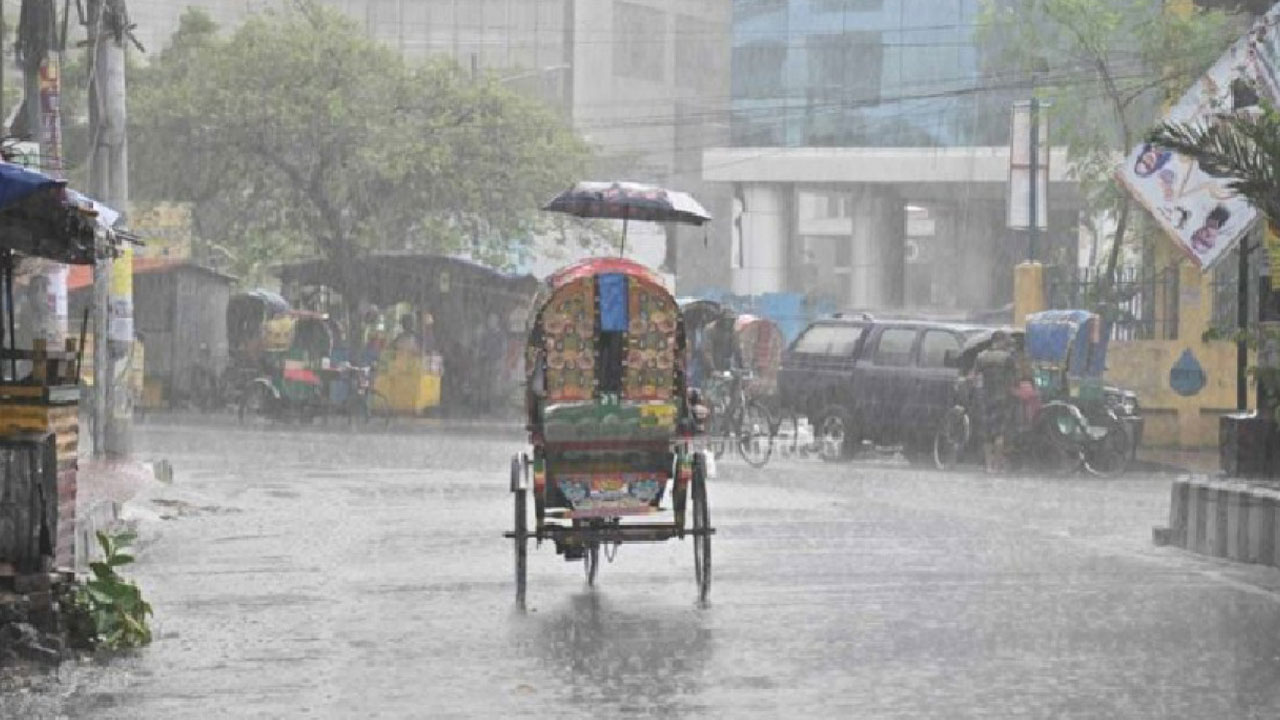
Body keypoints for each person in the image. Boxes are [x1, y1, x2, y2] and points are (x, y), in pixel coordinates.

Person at [973, 331, 1018, 474]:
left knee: (987, 434)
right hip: (1002, 398)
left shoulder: (981, 357)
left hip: (986, 398)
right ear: (1000, 341)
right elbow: (1014, 379)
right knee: (999, 433)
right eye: (1005, 341)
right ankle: (998, 465)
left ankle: (988, 465)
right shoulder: (1007, 358)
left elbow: (975, 377)